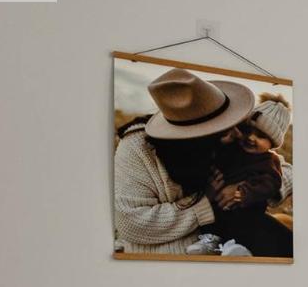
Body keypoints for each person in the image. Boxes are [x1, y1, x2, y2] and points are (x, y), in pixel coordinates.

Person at [113, 67, 255, 255]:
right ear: (199, 140)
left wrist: (243, 189)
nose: (238, 135)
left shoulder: (223, 142)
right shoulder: (137, 148)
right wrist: (205, 202)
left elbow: (280, 167)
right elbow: (131, 224)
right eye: (227, 130)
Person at [208, 94, 293, 258]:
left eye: (261, 136)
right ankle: (211, 241)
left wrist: (245, 190)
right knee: (216, 221)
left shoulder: (269, 161)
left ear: (272, 143)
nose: (251, 138)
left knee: (245, 227)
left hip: (246, 209)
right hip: (216, 207)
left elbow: (271, 182)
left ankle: (236, 249)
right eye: (248, 130)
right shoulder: (233, 147)